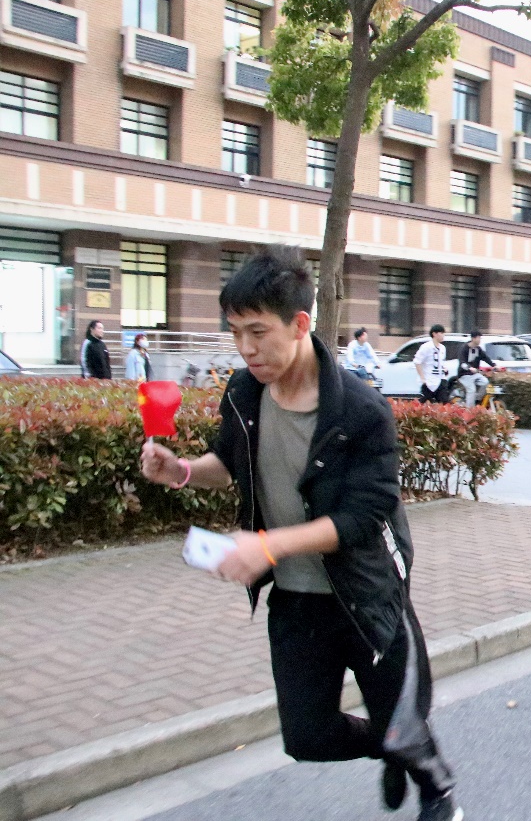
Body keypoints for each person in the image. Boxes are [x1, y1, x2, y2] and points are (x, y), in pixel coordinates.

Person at [138, 248, 461, 821]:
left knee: (401, 714)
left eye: (258, 332)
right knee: (307, 736)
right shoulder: (244, 392)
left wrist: (267, 545)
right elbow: (230, 462)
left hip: (366, 593)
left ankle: (436, 789)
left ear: (300, 323)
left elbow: (363, 519)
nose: (245, 348)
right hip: (296, 599)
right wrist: (181, 471)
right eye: (236, 332)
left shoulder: (361, 411)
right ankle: (394, 747)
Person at [455, 331, 494, 408]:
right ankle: (469, 410)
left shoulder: (478, 349)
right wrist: (470, 368)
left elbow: (485, 358)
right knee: (471, 390)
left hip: (475, 374)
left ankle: (476, 399)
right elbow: (462, 362)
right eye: (478, 338)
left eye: (480, 338)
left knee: (485, 382)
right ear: (473, 338)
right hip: (464, 375)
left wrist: (494, 365)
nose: (480, 340)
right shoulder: (464, 348)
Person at [413, 325, 449, 404]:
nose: (443, 335)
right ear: (434, 334)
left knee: (444, 402)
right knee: (424, 402)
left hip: (441, 379)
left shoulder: (443, 348)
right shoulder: (426, 347)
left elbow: (441, 361)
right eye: (441, 333)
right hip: (429, 380)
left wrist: (444, 368)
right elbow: (417, 362)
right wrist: (422, 378)